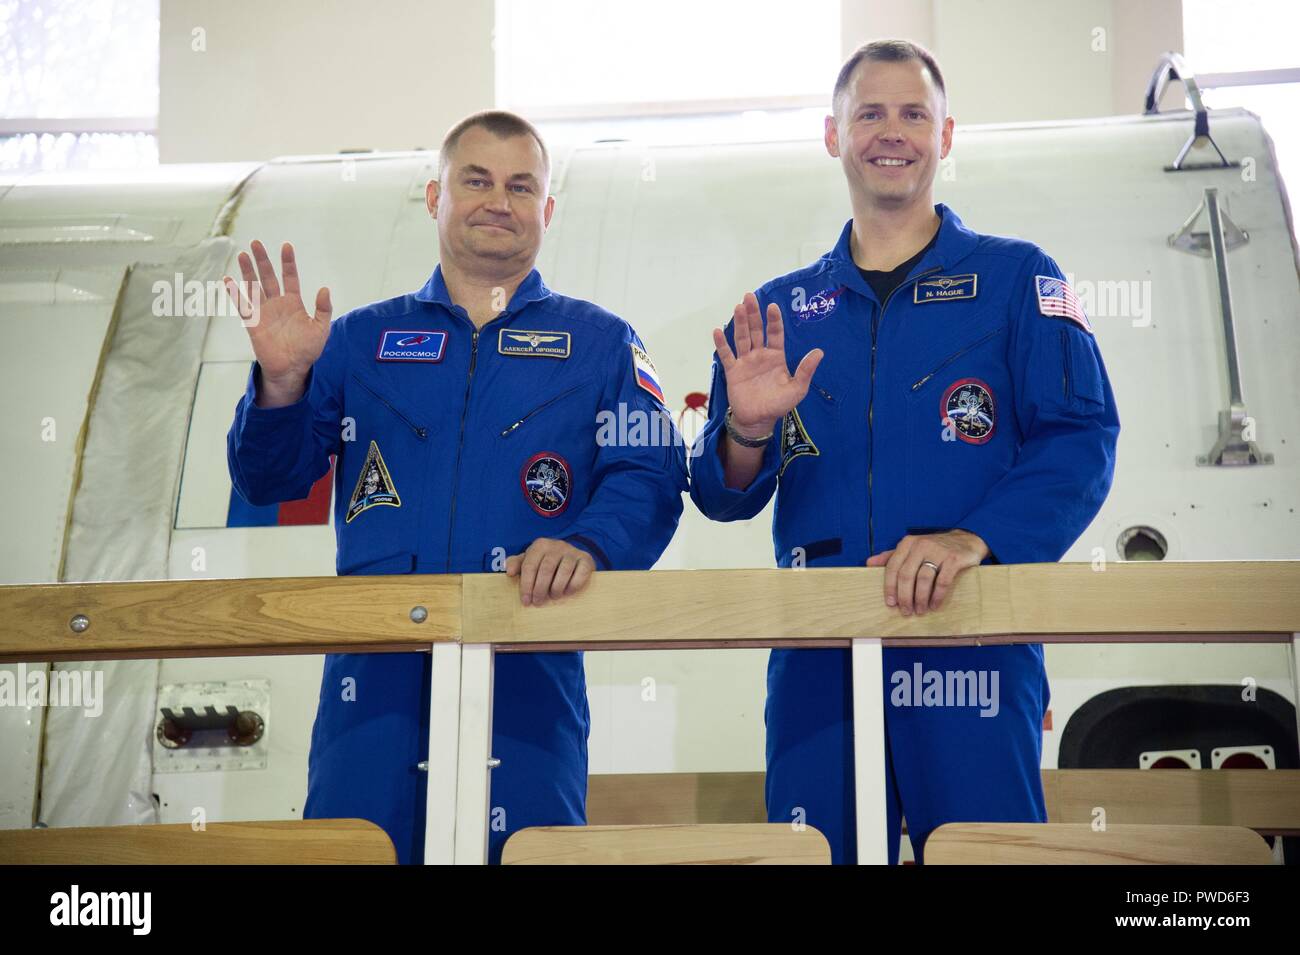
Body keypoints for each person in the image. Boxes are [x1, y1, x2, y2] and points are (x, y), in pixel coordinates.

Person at [689, 40, 1120, 863]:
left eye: (914, 113)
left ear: (946, 134)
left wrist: (972, 540)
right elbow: (723, 490)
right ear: (833, 135)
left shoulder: (1018, 279)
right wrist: (745, 428)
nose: (893, 132)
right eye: (871, 113)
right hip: (818, 642)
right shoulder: (780, 312)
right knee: (818, 853)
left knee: (985, 855)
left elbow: (1081, 438)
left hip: (972, 639)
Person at [226, 110, 688, 864]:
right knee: (358, 852)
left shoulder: (602, 343)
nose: (497, 201)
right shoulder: (358, 341)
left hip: (531, 659)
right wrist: (280, 385)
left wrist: (589, 544)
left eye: (520, 186)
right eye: (475, 180)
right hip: (372, 671)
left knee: (525, 854)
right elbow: (270, 477)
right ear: (435, 197)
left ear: (547, 209)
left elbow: (654, 471)